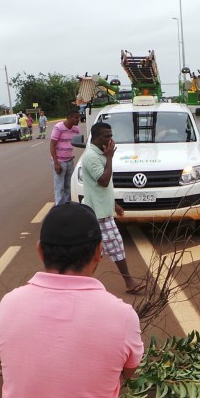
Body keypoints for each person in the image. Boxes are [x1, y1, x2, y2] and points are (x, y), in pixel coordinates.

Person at [0, 202, 143, 398]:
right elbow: (129, 373)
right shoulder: (121, 316)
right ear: (100, 252)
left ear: (40, 250)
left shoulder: (8, 305)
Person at [80, 122, 145, 293]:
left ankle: (80, 284)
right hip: (98, 214)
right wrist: (109, 158)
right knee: (112, 248)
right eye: (106, 136)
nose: (111, 140)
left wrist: (115, 205)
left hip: (102, 210)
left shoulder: (99, 154)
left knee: (97, 251)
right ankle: (129, 282)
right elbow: (103, 181)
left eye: (111, 135)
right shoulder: (92, 157)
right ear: (95, 138)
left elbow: (103, 189)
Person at [50, 109, 81, 205]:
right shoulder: (58, 127)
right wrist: (56, 163)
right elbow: (52, 145)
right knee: (60, 187)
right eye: (76, 118)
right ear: (69, 118)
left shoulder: (76, 129)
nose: (78, 120)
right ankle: (59, 208)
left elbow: (80, 141)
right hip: (60, 161)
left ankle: (66, 206)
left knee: (69, 186)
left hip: (69, 161)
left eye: (78, 117)